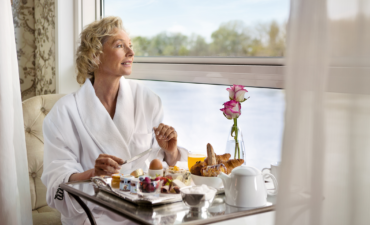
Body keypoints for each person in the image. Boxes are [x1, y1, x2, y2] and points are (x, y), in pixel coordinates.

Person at [41, 16, 188, 225]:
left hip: (145, 211)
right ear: (95, 56)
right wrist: (93, 174)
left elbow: (161, 170)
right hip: (95, 213)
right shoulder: (64, 113)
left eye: (131, 46)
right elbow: (57, 184)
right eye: (120, 45)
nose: (131, 52)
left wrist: (171, 151)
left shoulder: (148, 100)